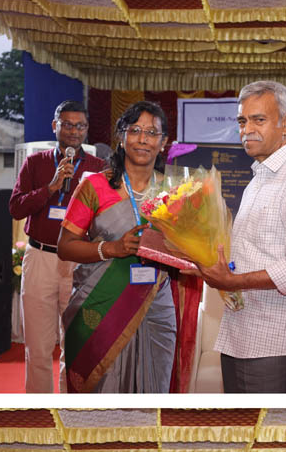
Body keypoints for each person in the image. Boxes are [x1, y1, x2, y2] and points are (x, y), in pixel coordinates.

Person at [196, 80, 286, 393]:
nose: (247, 130)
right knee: (240, 432)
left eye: (259, 119)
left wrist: (234, 282)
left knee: (265, 435)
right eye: (243, 121)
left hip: (274, 342)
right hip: (244, 334)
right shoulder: (260, 177)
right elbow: (254, 251)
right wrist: (206, 263)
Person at [57, 101, 189, 393]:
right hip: (101, 304)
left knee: (153, 389)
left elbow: (186, 250)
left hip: (155, 305)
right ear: (122, 136)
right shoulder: (94, 186)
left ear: (164, 142)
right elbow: (65, 246)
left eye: (152, 133)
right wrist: (112, 249)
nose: (143, 139)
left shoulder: (176, 191)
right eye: (136, 130)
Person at [9, 100, 107, 392]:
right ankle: (39, 410)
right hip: (40, 257)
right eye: (67, 124)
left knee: (75, 345)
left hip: (79, 260)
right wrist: (51, 187)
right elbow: (15, 208)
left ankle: (69, 404)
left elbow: (105, 215)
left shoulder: (98, 168)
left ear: (87, 130)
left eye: (80, 126)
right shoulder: (36, 163)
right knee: (38, 347)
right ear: (55, 126)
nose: (73, 131)